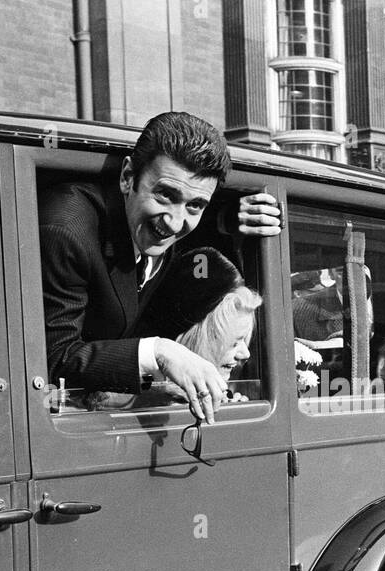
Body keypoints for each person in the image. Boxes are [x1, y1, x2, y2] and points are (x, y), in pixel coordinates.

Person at [40, 110, 280, 425]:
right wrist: (158, 352)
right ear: (128, 177)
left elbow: (199, 222)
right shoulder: (68, 231)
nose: (175, 223)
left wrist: (236, 218)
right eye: (165, 195)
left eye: (195, 205)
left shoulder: (163, 222)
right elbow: (55, 358)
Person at [85, 247, 261, 409]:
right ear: (198, 337)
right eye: (234, 342)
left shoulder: (230, 391)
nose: (246, 354)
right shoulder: (122, 395)